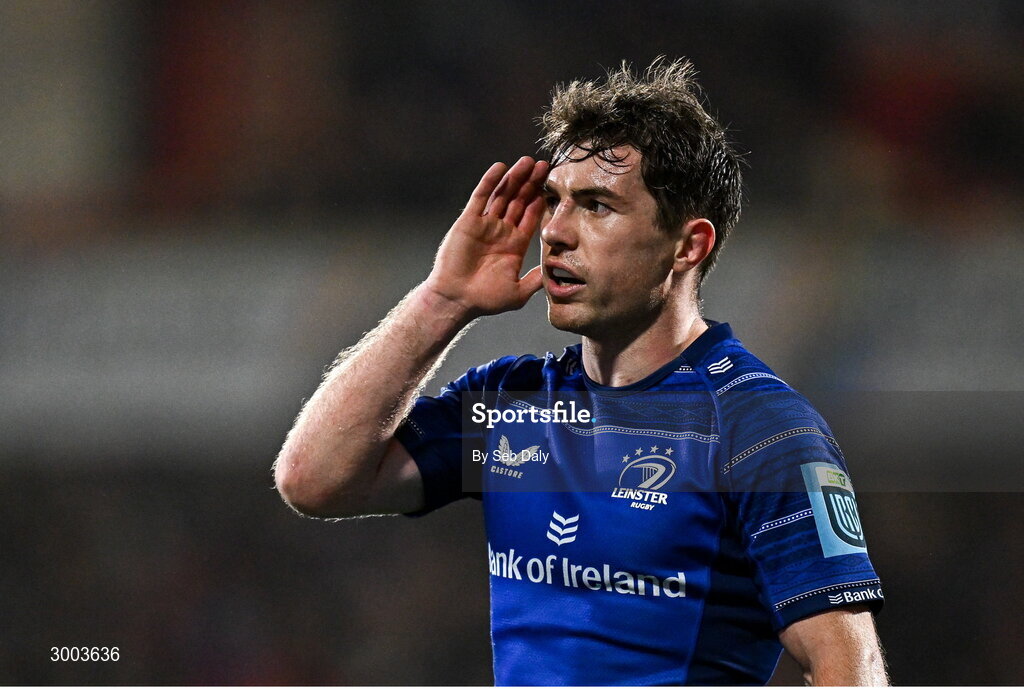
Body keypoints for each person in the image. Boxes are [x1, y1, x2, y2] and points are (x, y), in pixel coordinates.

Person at [274, 58, 888, 685]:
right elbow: (313, 480)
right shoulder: (512, 402)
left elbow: (851, 666)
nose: (555, 232)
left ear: (688, 245)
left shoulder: (758, 427)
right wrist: (441, 301)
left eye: (596, 205)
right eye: (553, 201)